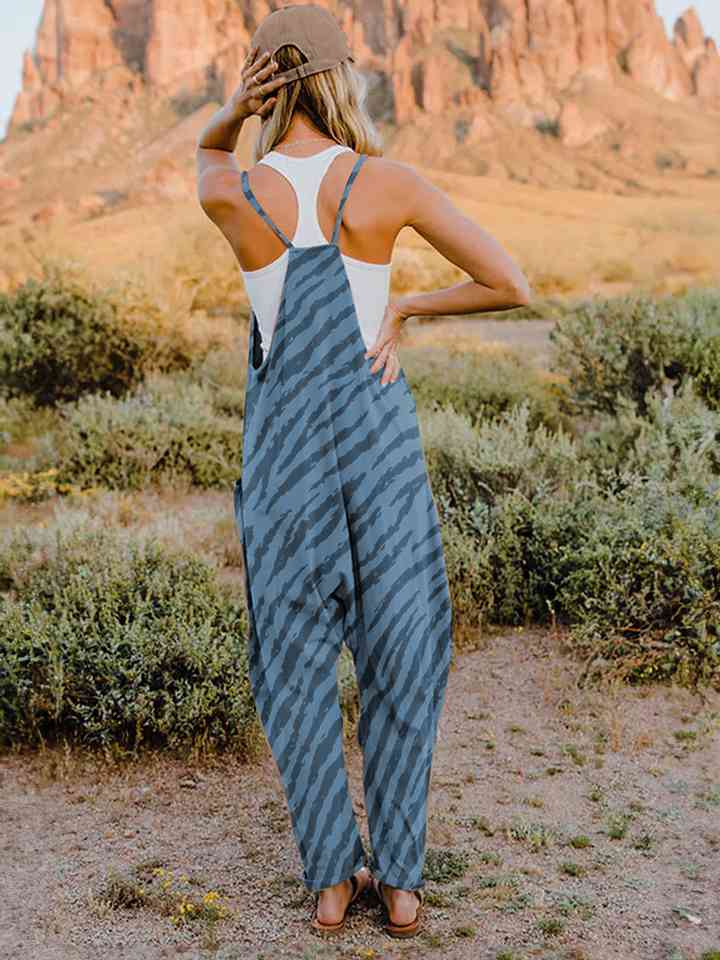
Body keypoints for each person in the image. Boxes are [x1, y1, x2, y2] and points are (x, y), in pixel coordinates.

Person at [196, 3, 531, 940]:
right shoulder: (387, 182)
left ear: (266, 84)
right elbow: (511, 282)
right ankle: (404, 881)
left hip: (284, 453)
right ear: (342, 78)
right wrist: (408, 307)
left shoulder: (235, 191)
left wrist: (231, 112)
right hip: (378, 443)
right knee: (403, 647)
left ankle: (331, 882)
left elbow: (206, 155)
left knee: (294, 658)